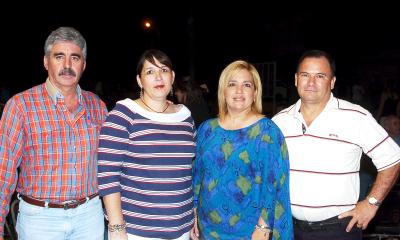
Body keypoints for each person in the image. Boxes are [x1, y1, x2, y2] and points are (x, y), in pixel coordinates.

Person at [272, 49, 400, 240]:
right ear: (296, 79)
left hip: (339, 230)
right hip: (289, 229)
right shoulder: (279, 122)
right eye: (305, 75)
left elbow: (393, 158)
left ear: (332, 82)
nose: (311, 82)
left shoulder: (356, 117)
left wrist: (371, 203)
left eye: (320, 76)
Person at [0, 26, 108, 240]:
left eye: (74, 58)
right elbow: (4, 170)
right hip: (39, 220)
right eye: (59, 56)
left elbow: (111, 164)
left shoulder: (97, 107)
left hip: (90, 216)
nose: (67, 65)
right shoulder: (21, 106)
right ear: (46, 62)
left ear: (83, 65)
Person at [97, 49, 196, 240]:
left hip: (182, 228)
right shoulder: (123, 114)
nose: (158, 77)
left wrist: (192, 216)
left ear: (172, 76)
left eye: (164, 70)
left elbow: (187, 172)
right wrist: (117, 228)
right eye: (150, 72)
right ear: (139, 80)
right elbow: (108, 176)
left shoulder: (185, 117)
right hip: (137, 230)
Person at [191, 60, 293, 240]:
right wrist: (193, 214)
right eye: (232, 84)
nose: (239, 91)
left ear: (255, 93)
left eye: (246, 85)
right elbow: (197, 176)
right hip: (207, 229)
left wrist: (263, 226)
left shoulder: (267, 131)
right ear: (223, 91)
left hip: (249, 231)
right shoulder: (206, 130)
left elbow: (274, 185)